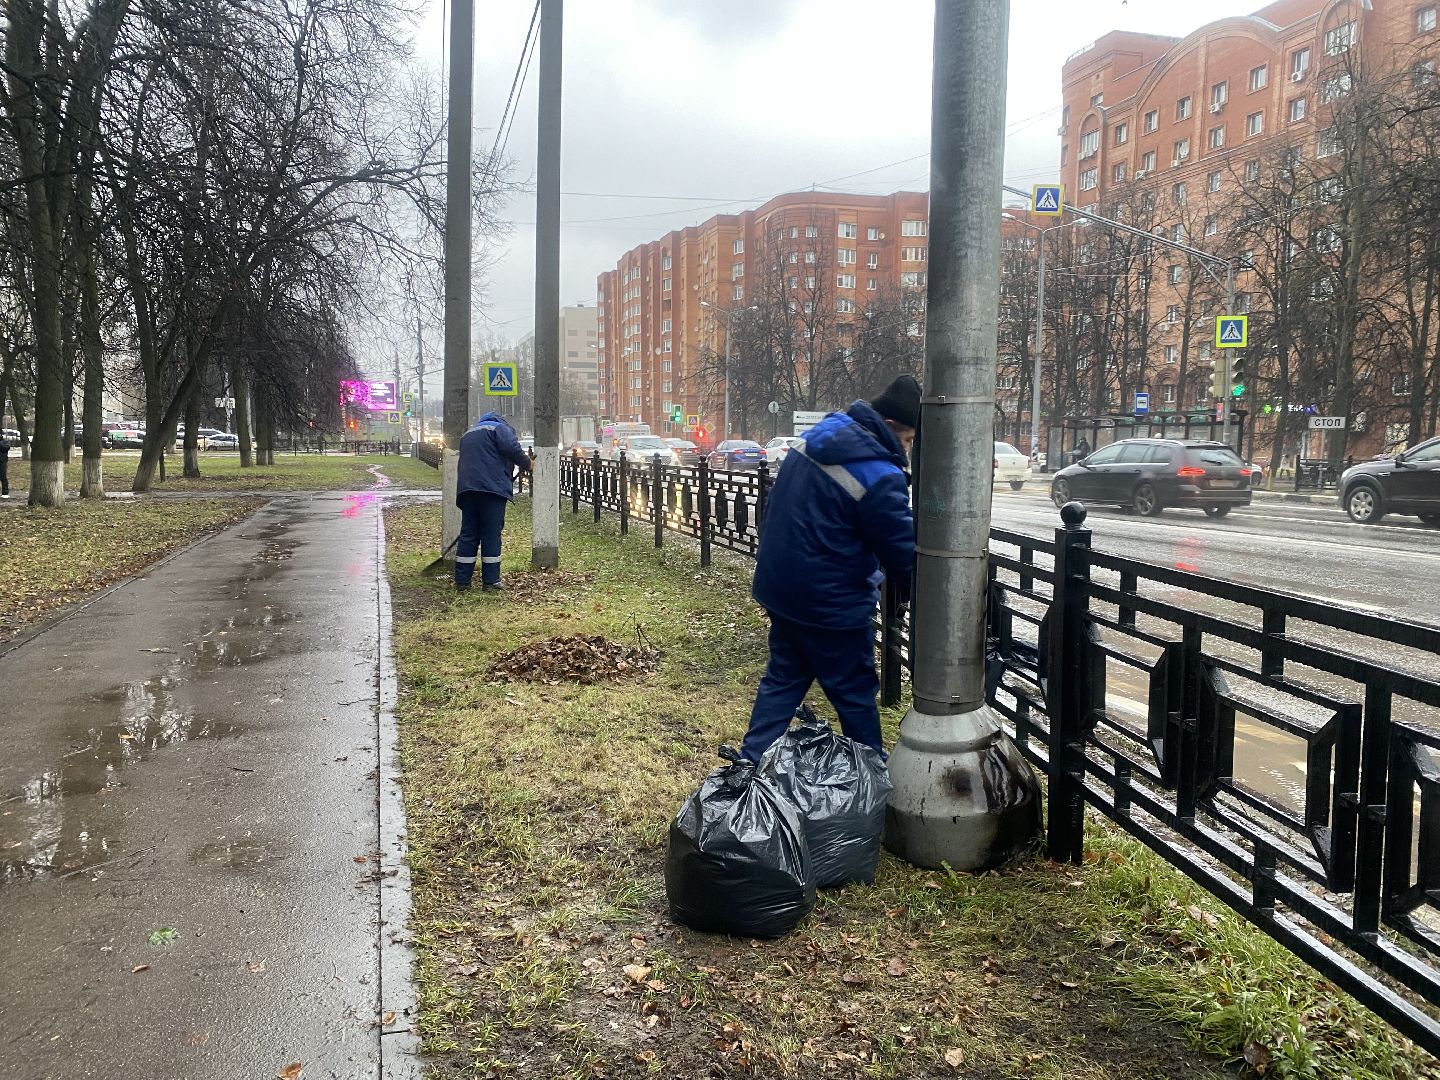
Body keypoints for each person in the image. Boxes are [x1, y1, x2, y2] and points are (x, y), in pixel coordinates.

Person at [739, 374, 920, 763]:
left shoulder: (818, 438)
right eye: (908, 440)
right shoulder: (879, 475)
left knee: (783, 680)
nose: (907, 450)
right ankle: (872, 785)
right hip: (832, 605)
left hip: (782, 590)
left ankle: (747, 771)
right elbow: (902, 553)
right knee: (854, 694)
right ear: (889, 427)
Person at [455, 411, 532, 592]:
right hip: (491, 490)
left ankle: (462, 582)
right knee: (491, 533)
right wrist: (528, 463)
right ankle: (491, 582)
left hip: (467, 490)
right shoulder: (498, 428)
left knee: (468, 534)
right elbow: (512, 448)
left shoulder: (468, 434)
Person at [0, 430, 10, 499]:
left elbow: (5, 448)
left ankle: (5, 492)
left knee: (3, 477)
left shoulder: (5, 442)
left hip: (2, 461)